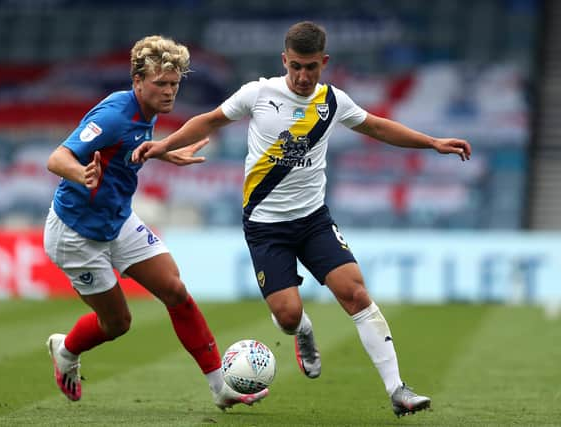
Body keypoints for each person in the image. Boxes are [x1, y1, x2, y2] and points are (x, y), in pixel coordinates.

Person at [132, 21, 472, 417]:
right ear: (284, 61)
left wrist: (432, 142)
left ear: (324, 63)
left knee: (356, 294)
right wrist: (164, 145)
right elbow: (208, 120)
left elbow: (377, 127)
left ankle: (398, 389)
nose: (302, 76)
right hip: (264, 226)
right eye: (295, 66)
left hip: (313, 220)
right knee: (288, 315)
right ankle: (304, 332)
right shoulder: (258, 94)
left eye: (311, 67)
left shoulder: (333, 102)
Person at [42, 35, 269, 410]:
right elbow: (57, 157)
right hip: (76, 234)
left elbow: (126, 150)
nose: (168, 92)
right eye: (160, 84)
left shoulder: (146, 115)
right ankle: (65, 349)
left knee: (175, 290)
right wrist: (82, 174)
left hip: (117, 220)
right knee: (117, 323)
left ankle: (220, 386)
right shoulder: (114, 113)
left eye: (174, 84)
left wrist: (166, 153)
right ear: (137, 82)